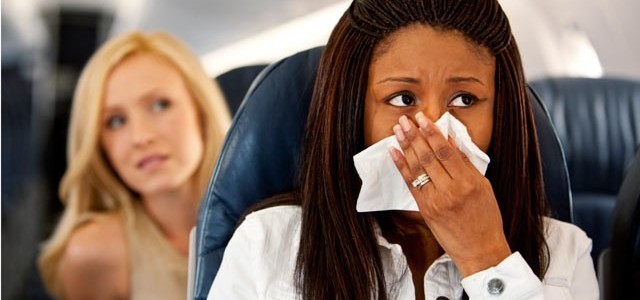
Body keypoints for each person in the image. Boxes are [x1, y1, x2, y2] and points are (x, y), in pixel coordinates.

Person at [208, 0, 599, 299]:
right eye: (402, 98)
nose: (435, 131)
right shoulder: (268, 243)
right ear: (353, 114)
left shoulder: (564, 253)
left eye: (464, 99)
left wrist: (488, 259)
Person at [38, 31, 231, 300]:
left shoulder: (269, 224)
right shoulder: (95, 253)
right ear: (99, 144)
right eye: (115, 121)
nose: (141, 137)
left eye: (160, 105)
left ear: (200, 111)